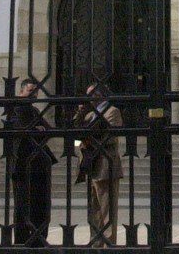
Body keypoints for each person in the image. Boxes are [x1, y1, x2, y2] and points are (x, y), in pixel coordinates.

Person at [9, 78, 57, 246]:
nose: (34, 95)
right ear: (21, 91)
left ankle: (39, 238)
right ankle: (22, 241)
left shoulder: (34, 110)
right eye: (31, 91)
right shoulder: (15, 108)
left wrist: (38, 130)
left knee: (40, 204)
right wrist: (36, 130)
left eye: (36, 92)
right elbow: (23, 131)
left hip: (39, 164)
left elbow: (47, 130)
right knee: (23, 205)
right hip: (23, 165)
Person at [77, 84, 123, 248]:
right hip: (91, 165)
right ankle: (96, 242)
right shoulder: (89, 114)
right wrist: (80, 112)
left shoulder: (112, 111)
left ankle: (108, 243)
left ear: (99, 94)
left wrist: (89, 139)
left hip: (106, 165)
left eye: (90, 94)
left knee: (107, 209)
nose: (87, 97)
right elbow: (76, 130)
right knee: (94, 208)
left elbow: (111, 136)